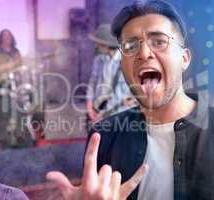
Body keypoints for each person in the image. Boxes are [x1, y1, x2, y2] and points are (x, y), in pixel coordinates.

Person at [46, 0, 214, 200]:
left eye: (159, 41)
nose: (143, 53)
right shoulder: (103, 137)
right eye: (130, 46)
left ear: (184, 58)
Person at [86, 24, 134, 123]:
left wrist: (103, 115)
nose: (96, 46)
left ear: (106, 45)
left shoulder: (126, 61)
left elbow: (120, 93)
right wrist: (89, 105)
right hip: (98, 108)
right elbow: (93, 81)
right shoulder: (99, 59)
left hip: (117, 112)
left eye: (99, 43)